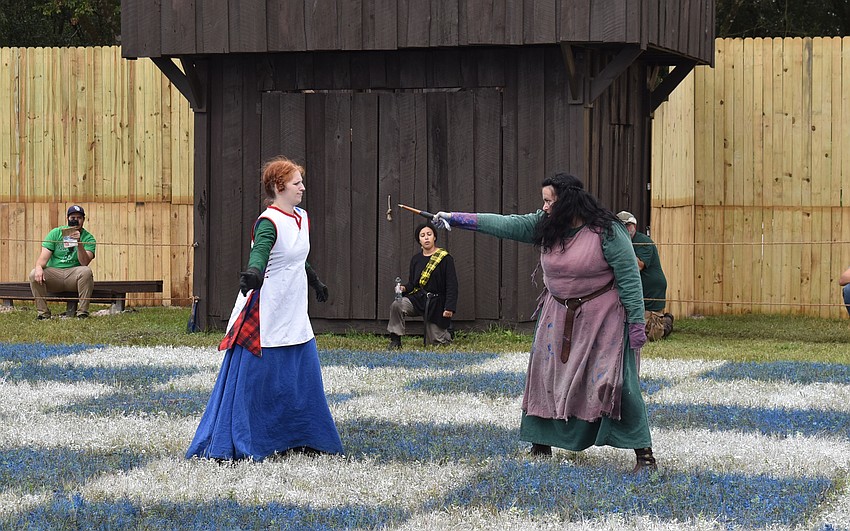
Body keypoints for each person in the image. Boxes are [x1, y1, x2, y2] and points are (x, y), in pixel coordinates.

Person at [432, 173, 657, 473]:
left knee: (614, 382)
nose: (545, 207)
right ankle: (540, 443)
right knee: (544, 376)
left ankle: (644, 455)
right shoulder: (546, 225)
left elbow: (629, 277)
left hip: (604, 318)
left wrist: (637, 323)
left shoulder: (607, 230)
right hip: (557, 314)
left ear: (568, 201)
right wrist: (457, 219)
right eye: (544, 201)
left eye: (550, 201)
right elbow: (506, 224)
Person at [186, 156, 343, 461]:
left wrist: (315, 281)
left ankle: (306, 435)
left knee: (301, 370)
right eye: (297, 183)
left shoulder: (301, 217)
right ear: (278, 186)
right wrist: (254, 272)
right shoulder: (268, 221)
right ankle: (251, 439)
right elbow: (262, 250)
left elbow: (297, 255)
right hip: (266, 308)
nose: (302, 188)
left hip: (294, 307)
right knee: (258, 375)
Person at [387, 222, 458, 349]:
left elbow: (452, 285)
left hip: (437, 303)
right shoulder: (416, 259)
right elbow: (413, 284)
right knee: (397, 304)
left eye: (429, 234)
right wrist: (403, 288)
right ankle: (395, 340)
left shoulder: (445, 258)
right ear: (419, 240)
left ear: (434, 237)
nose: (426, 238)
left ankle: (448, 332)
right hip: (419, 298)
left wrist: (449, 307)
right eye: (422, 235)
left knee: (437, 343)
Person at [29, 205, 97, 319]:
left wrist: (78, 242)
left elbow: (84, 262)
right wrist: (39, 267)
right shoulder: (56, 233)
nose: (75, 220)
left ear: (83, 220)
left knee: (86, 271)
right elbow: (43, 258)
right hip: (55, 274)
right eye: (73, 218)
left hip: (73, 275)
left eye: (79, 218)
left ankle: (82, 313)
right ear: (67, 219)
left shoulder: (89, 238)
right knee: (33, 273)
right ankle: (43, 313)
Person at [616, 211, 674, 340]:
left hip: (651, 290)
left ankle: (665, 323)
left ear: (634, 226)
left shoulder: (643, 241)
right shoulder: (617, 242)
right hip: (634, 290)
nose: (625, 229)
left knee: (650, 335)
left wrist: (622, 248)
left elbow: (638, 266)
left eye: (628, 225)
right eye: (621, 226)